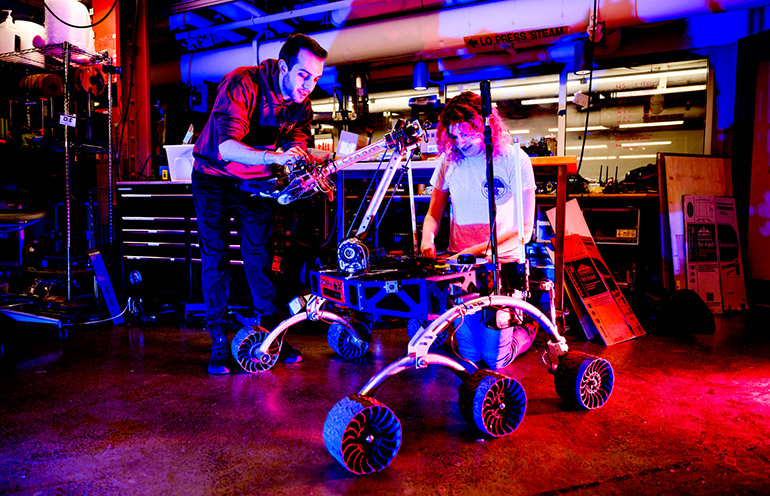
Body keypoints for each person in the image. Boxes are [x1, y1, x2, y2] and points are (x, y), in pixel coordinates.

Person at [192, 33, 327, 374]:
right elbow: (227, 148)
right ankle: (219, 338)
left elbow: (297, 141)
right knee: (215, 257)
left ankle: (271, 336)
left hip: (254, 183)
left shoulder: (301, 102)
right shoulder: (242, 83)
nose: (309, 86)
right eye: (303, 75)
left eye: (315, 78)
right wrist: (275, 157)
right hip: (213, 178)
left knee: (260, 257)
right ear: (283, 67)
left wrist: (297, 156)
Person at [419, 91, 537, 370]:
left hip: (502, 264)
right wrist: (426, 239)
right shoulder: (449, 161)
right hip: (462, 268)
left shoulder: (514, 158)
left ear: (486, 125)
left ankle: (527, 328)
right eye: (454, 136)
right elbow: (433, 214)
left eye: (466, 134)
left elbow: (525, 229)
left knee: (496, 360)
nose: (460, 142)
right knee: (470, 355)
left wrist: (477, 250)